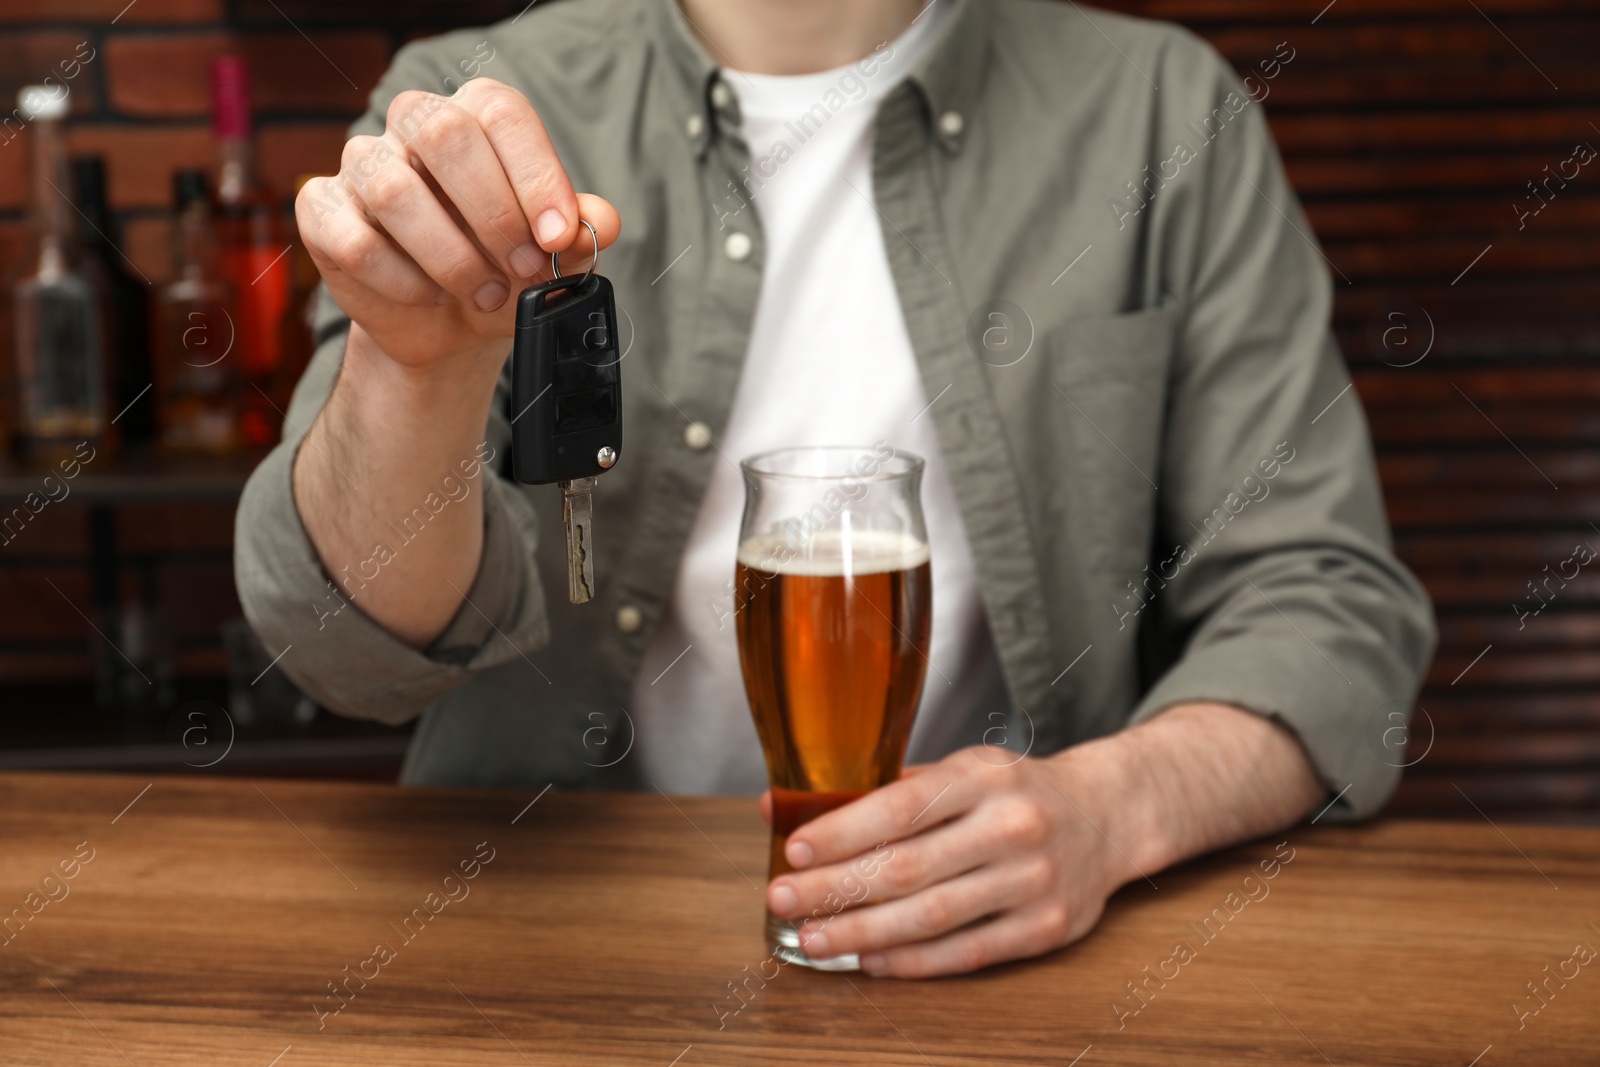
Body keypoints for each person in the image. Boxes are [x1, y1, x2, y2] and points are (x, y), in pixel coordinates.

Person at [235, 0, 1435, 978]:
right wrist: (419, 371)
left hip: (1011, 965)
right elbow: (344, 651)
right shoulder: (467, 100)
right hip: (544, 954)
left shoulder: (1163, 114)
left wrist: (1111, 809)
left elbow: (1325, 607)